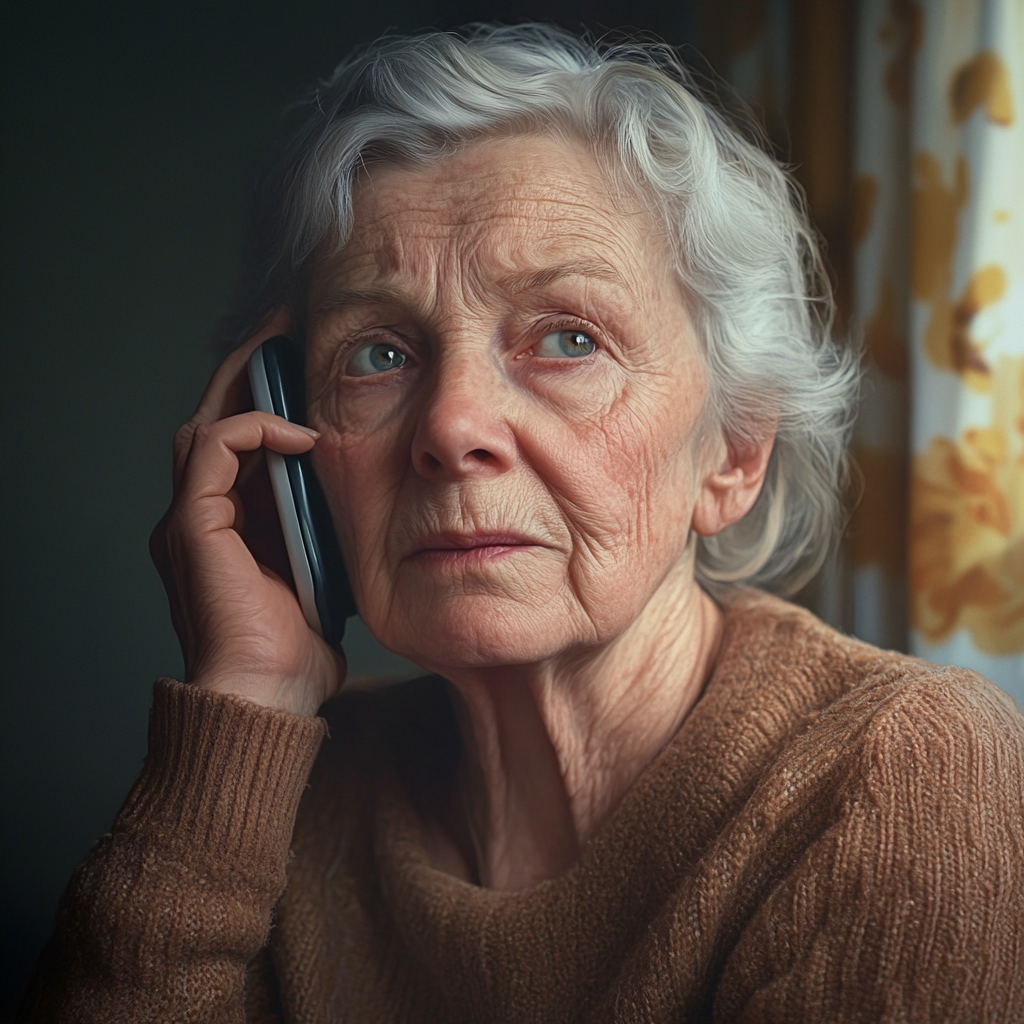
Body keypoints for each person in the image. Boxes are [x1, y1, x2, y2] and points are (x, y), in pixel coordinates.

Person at [23, 24, 1024, 1024]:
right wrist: (246, 701)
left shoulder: (895, 773)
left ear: (732, 451)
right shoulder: (286, 792)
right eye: (377, 354)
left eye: (567, 338)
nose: (453, 427)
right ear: (289, 432)